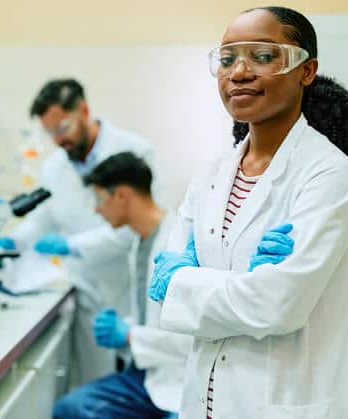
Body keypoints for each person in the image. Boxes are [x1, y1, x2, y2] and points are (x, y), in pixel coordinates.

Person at [148, 6, 348, 419]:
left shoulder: (326, 172)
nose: (240, 72)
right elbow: (163, 295)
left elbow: (278, 306)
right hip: (204, 401)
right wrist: (245, 283)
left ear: (307, 71)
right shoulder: (211, 173)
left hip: (282, 403)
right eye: (228, 58)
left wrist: (188, 283)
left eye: (264, 56)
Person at [53, 152, 296, 419]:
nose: (96, 210)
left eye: (99, 199)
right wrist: (126, 327)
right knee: (70, 408)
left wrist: (130, 335)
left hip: (182, 377)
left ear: (121, 195)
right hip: (150, 373)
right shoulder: (139, 242)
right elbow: (156, 315)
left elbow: (195, 328)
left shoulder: (177, 242)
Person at [0, 79, 157, 384]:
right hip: (86, 291)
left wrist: (71, 245)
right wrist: (8, 239)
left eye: (63, 128)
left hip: (130, 287)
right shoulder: (54, 168)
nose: (58, 140)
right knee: (93, 381)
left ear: (83, 110)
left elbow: (138, 227)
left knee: (143, 383)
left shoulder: (135, 151)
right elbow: (41, 222)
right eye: (50, 133)